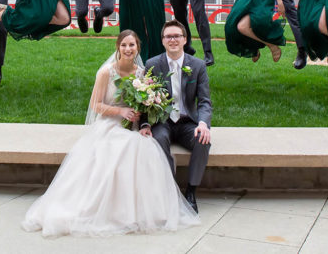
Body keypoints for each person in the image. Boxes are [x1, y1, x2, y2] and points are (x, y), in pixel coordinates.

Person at [22, 30, 200, 237]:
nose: (128, 49)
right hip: (109, 124)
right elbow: (95, 105)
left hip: (132, 126)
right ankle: (110, 210)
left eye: (132, 45)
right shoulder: (107, 72)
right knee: (121, 147)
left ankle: (142, 210)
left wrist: (147, 112)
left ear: (137, 48)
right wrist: (120, 111)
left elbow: (144, 106)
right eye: (124, 45)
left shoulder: (143, 74)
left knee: (146, 147)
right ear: (118, 47)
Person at [141, 20, 212, 214]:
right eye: (168, 37)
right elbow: (144, 98)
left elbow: (205, 101)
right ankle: (170, 190)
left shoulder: (197, 66)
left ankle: (191, 192)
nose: (173, 40)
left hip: (188, 121)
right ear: (162, 41)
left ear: (184, 40)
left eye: (177, 36)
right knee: (159, 139)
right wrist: (145, 123)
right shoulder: (152, 64)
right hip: (163, 121)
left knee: (202, 140)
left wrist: (204, 123)